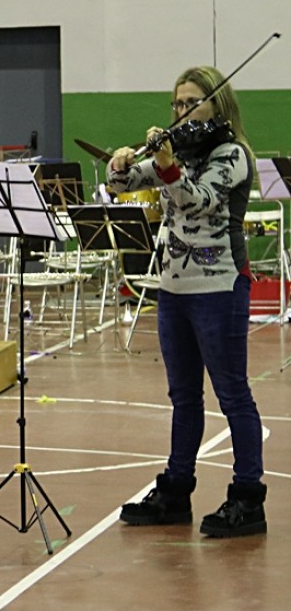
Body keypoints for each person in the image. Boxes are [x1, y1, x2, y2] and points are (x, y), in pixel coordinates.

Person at [109, 66, 265, 537]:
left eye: (192, 102)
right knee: (183, 396)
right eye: (177, 104)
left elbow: (197, 200)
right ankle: (176, 489)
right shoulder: (175, 151)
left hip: (219, 288)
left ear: (218, 106)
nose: (182, 112)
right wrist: (119, 164)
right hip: (174, 289)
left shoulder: (231, 154)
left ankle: (247, 498)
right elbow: (122, 185)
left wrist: (167, 163)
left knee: (233, 394)